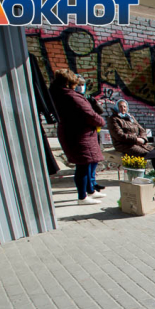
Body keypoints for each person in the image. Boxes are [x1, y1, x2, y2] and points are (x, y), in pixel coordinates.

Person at [49, 68, 106, 206]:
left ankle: (90, 191)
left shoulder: (59, 94)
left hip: (76, 133)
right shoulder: (71, 97)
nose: (78, 86)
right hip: (80, 135)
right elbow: (89, 114)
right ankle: (82, 197)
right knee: (83, 166)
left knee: (86, 164)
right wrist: (101, 121)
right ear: (69, 82)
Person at [109, 100, 155, 172]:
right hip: (124, 144)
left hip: (138, 143)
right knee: (143, 154)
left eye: (124, 106)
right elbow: (119, 135)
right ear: (116, 108)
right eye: (120, 106)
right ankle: (140, 175)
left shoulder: (130, 117)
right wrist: (136, 139)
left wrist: (143, 139)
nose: (123, 108)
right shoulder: (113, 119)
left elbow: (141, 129)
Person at [76, 76, 106, 192]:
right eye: (78, 84)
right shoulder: (75, 99)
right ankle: (88, 186)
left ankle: (93, 182)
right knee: (86, 162)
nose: (81, 87)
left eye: (82, 85)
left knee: (95, 159)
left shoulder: (88, 98)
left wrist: (94, 102)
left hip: (94, 131)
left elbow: (100, 111)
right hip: (84, 133)